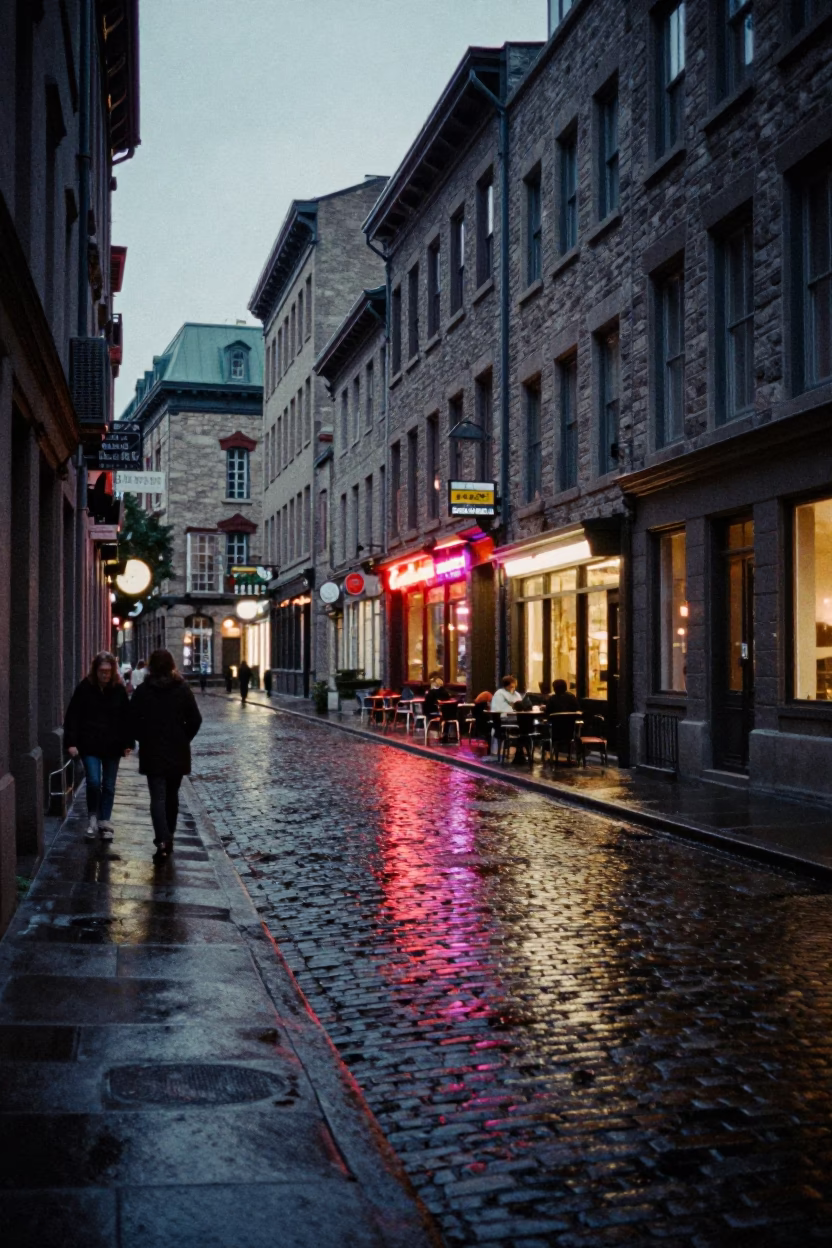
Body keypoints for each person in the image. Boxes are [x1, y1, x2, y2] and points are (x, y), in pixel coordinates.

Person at [130, 648, 202, 856]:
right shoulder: (182, 689)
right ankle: (168, 835)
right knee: (172, 797)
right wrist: (183, 738)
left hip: (152, 751)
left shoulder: (144, 690)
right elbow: (195, 720)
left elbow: (131, 719)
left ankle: (163, 839)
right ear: (172, 665)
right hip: (177, 751)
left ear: (151, 667)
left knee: (157, 798)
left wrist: (143, 738)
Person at [64, 651, 134, 841]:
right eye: (102, 671)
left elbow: (127, 718)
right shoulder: (85, 688)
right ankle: (92, 818)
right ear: (96, 670)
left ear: (113, 672)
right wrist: (71, 742)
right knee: (94, 782)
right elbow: (73, 716)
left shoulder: (118, 690)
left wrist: (128, 742)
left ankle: (105, 821)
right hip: (89, 744)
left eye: (108, 671)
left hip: (113, 746)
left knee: (109, 785)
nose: (105, 675)